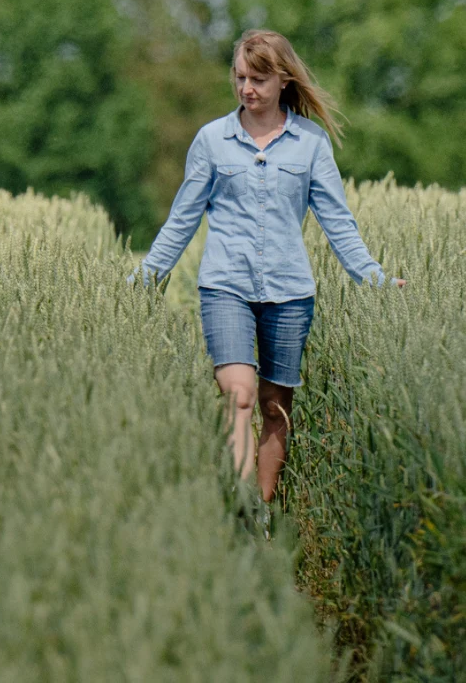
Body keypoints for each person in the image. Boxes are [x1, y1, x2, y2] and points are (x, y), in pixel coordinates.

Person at [133, 29, 404, 504]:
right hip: (226, 287)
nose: (247, 89)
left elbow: (337, 222)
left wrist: (374, 277)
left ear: (283, 79)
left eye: (258, 78)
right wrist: (145, 278)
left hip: (290, 292)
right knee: (238, 394)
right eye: (240, 77)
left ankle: (260, 516)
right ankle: (238, 507)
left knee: (276, 408)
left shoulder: (311, 145)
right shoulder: (212, 141)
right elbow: (182, 218)